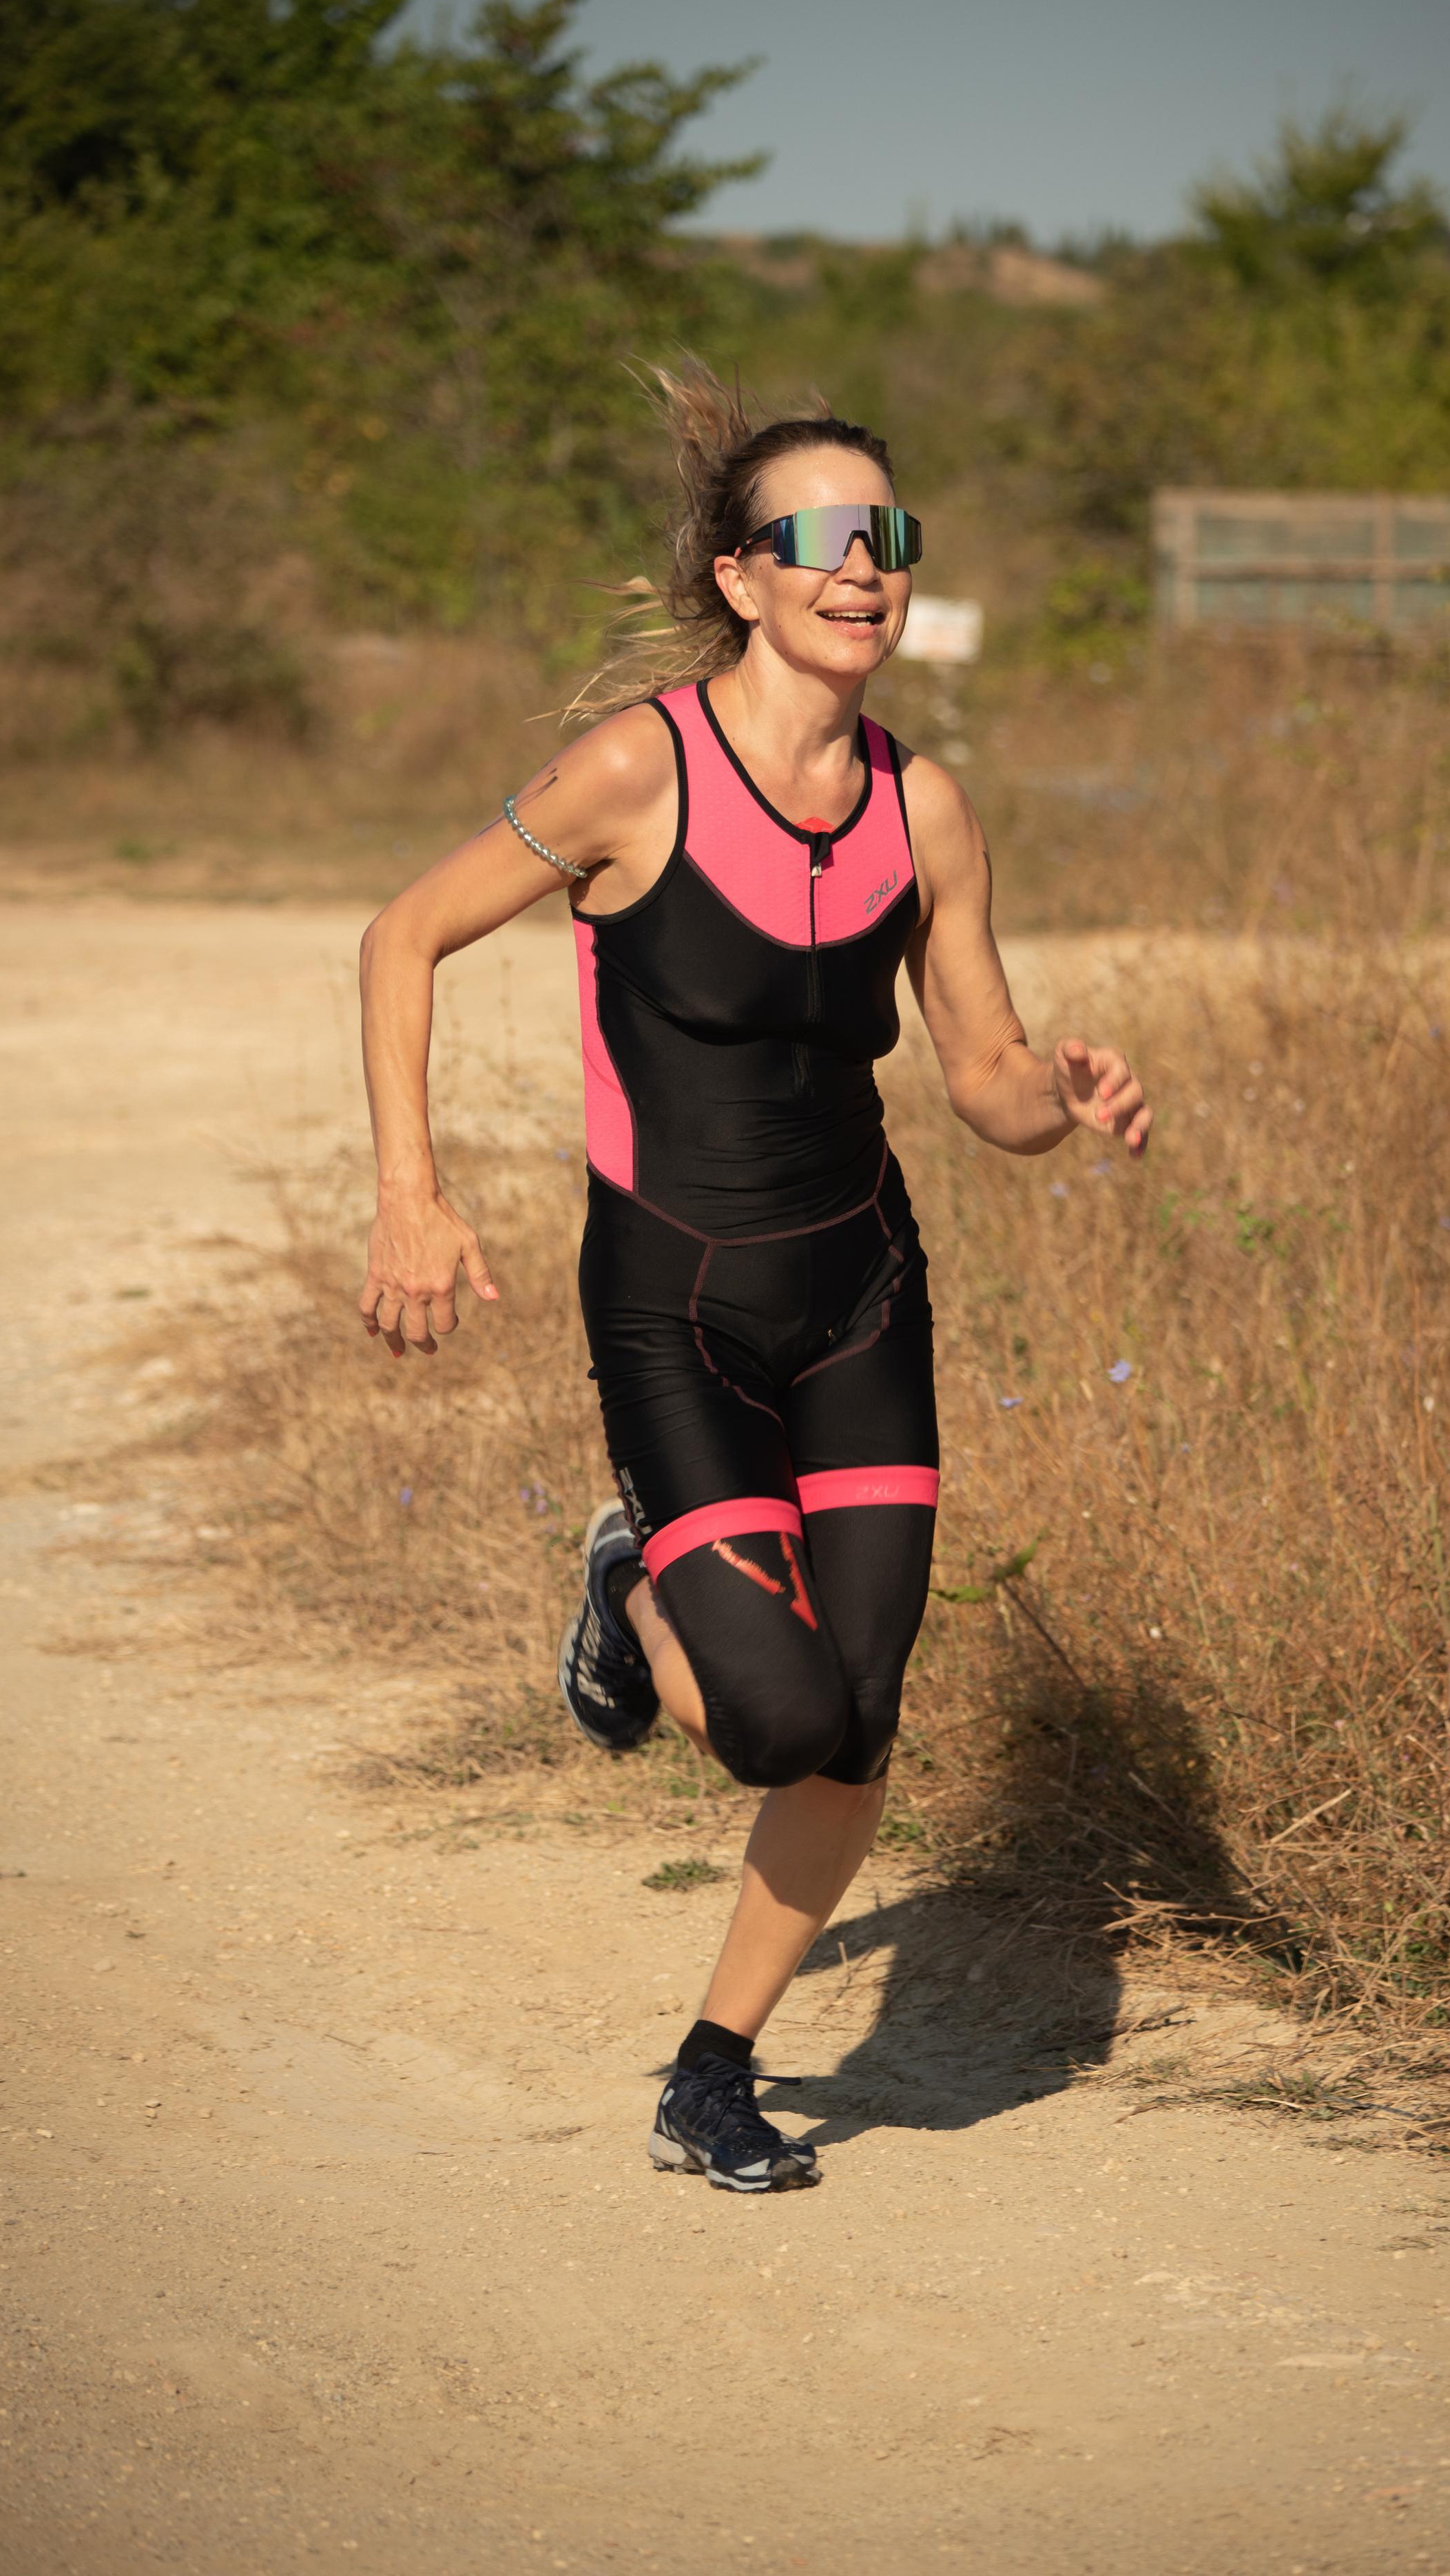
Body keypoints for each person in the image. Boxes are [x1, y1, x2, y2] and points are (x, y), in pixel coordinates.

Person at [356, 364, 1150, 2195]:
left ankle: (712, 2072)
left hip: (863, 1288)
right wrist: (413, 1195)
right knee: (774, 1719)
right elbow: (402, 934)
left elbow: (982, 1075)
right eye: (822, 536)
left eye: (889, 535)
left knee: (855, 1726)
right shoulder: (636, 769)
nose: (863, 567)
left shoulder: (924, 805)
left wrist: (1064, 1094)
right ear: (741, 574)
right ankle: (635, 1573)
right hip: (678, 1304)